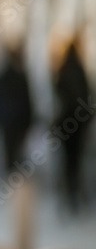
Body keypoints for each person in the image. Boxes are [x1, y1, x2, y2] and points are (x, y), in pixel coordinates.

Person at [53, 35, 92, 213]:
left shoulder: (62, 70)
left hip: (67, 125)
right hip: (78, 125)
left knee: (67, 163)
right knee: (76, 162)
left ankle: (68, 196)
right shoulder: (79, 70)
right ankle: (74, 196)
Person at [0, 42, 34, 178]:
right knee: (17, 156)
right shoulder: (18, 77)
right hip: (16, 123)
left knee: (10, 155)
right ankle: (14, 184)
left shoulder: (2, 78)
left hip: (8, 123)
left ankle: (11, 183)